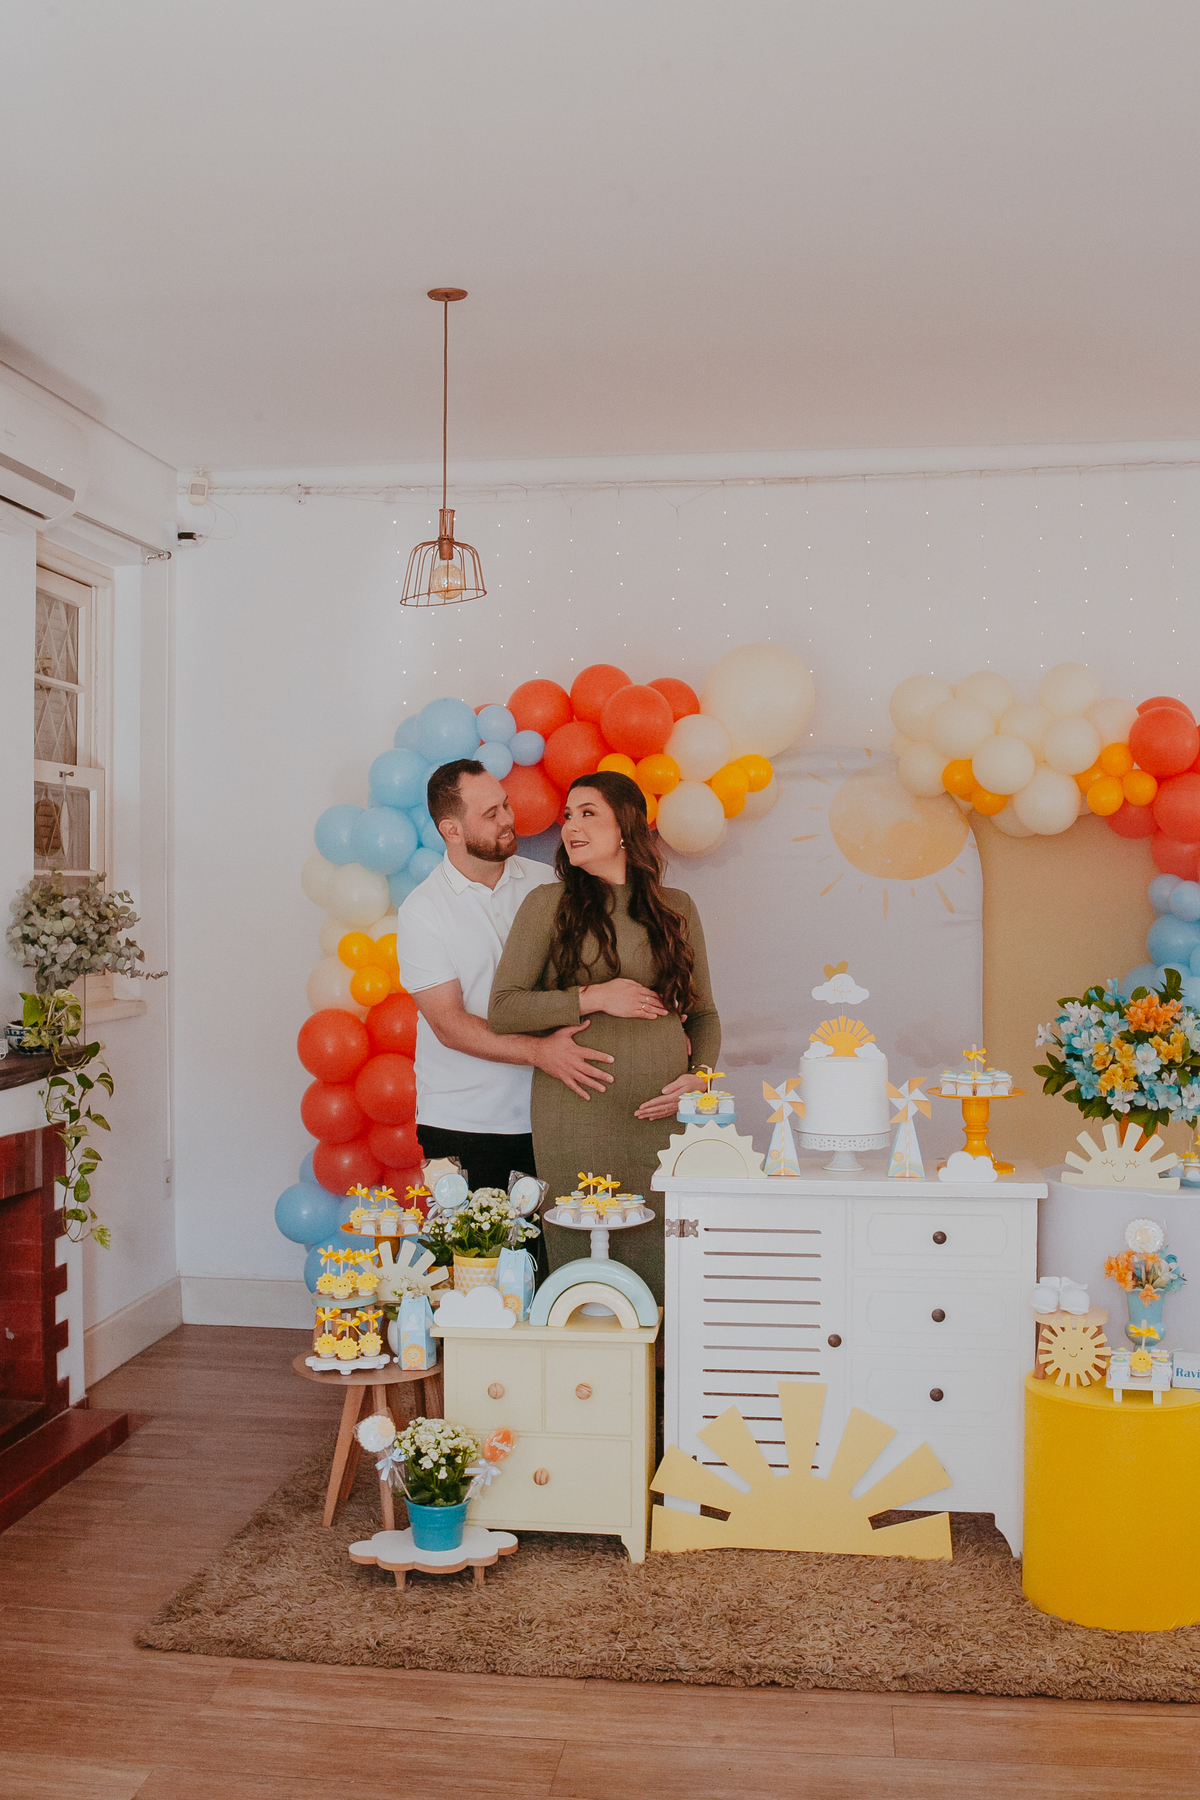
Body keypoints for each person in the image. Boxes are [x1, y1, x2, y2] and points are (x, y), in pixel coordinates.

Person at [489, 769, 720, 1301]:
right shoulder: (547, 905)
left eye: (587, 813)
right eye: (567, 815)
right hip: (578, 1110)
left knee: (666, 1251)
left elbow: (703, 1015)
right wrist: (595, 996)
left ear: (626, 827)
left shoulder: (677, 908)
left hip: (663, 1118)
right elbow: (504, 1009)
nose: (570, 826)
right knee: (583, 1253)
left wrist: (700, 1078)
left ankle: (661, 1379)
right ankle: (587, 1381)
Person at [394, 759, 615, 1191]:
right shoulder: (422, 912)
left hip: (553, 1112)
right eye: (490, 815)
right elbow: (449, 1025)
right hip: (463, 1122)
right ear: (451, 830)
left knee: (552, 1257)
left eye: (506, 806)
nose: (509, 821)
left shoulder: (549, 884)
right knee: (477, 1258)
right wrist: (541, 1053)